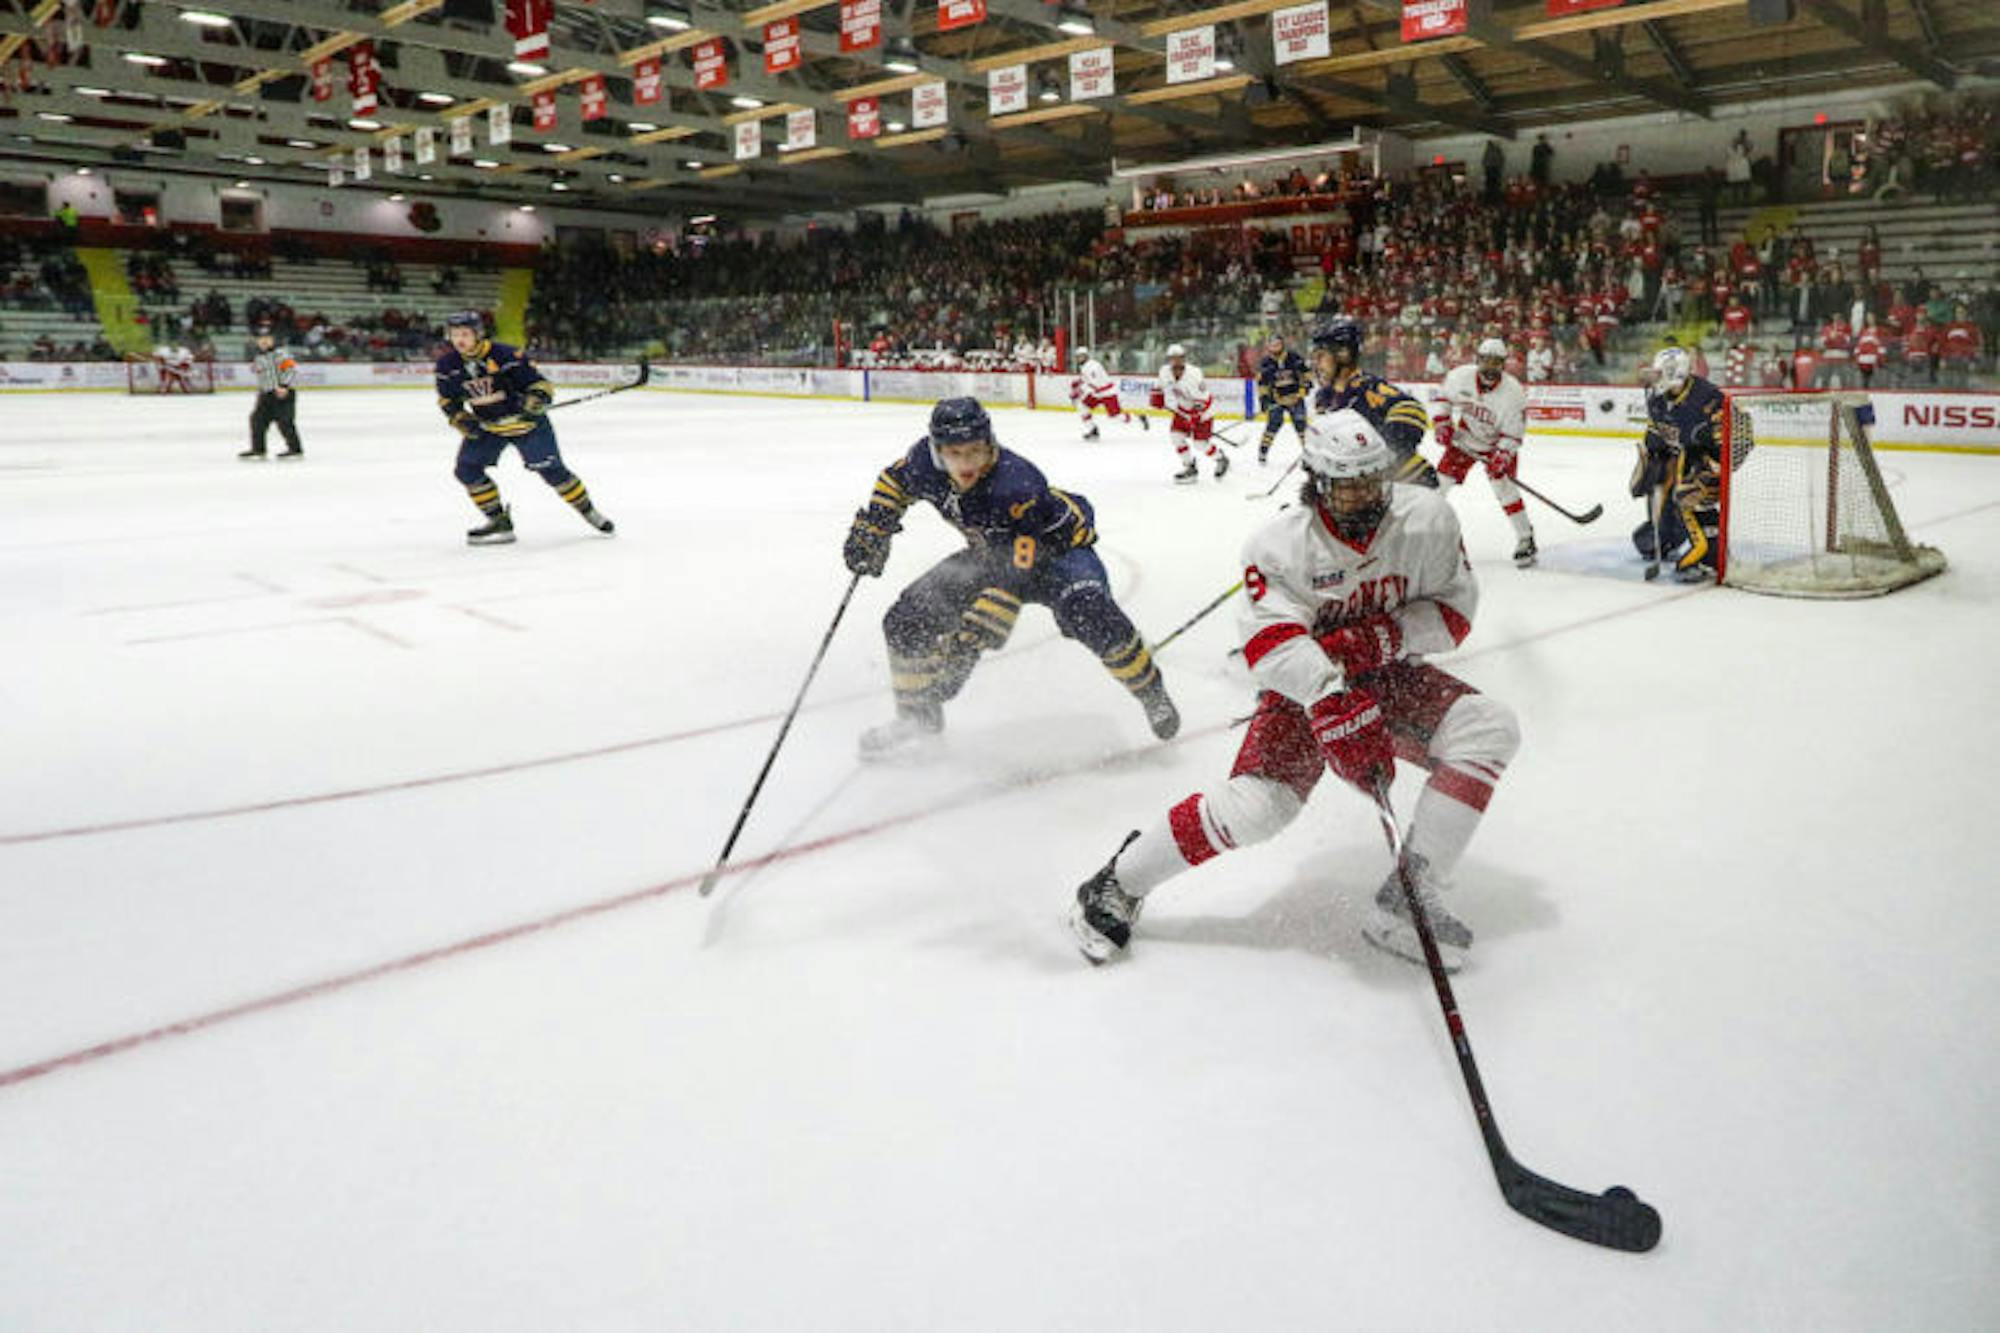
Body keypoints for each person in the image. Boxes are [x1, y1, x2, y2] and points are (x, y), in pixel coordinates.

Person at [1068, 410, 1517, 973]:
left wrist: (1373, 640)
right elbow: (1270, 644)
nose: (1363, 496)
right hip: (1305, 687)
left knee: (1489, 727)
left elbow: (1453, 614)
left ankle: (1408, 896)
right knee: (1262, 809)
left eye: (1372, 480)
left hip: (1390, 674)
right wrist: (1331, 698)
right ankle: (1119, 880)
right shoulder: (1280, 545)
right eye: (1346, 485)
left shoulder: (1428, 520)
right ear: (1317, 481)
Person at [843, 397, 1180, 760]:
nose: (967, 463)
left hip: (1058, 556)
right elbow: (895, 480)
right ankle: (918, 719)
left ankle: (1151, 691)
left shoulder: (1017, 482)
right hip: (994, 552)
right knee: (906, 619)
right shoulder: (924, 463)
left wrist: (969, 645)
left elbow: (1014, 578)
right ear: (938, 452)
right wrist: (876, 524)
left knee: (1092, 614)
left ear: (990, 444)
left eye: (975, 451)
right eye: (955, 453)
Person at [435, 310, 613, 546]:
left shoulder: (506, 354)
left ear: (478, 334)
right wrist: (461, 419)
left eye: (465, 334)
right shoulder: (447, 365)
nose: (459, 340)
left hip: (528, 426)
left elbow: (539, 384)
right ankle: (499, 521)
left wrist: (535, 400)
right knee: (467, 469)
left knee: (552, 472)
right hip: (490, 428)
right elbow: (448, 400)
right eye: (454, 334)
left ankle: (589, 512)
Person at [1632, 347, 1735, 583]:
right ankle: (1666, 536)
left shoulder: (1707, 398)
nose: (1654, 378)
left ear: (1674, 373)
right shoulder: (1657, 399)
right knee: (1661, 483)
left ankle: (1709, 552)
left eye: (1660, 373)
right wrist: (1651, 462)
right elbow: (1656, 435)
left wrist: (1715, 470)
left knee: (1690, 490)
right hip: (1680, 457)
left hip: (1709, 459)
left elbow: (1735, 439)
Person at [1433, 338, 1536, 568]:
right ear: (1477, 360)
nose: (1490, 367)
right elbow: (1444, 399)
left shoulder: (1513, 393)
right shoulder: (1460, 376)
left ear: (1503, 364)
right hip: (1465, 440)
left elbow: (1513, 434)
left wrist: (1502, 455)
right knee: (1438, 485)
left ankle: (1525, 537)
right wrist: (1442, 423)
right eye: (1486, 361)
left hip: (1497, 445)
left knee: (1505, 491)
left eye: (1496, 362)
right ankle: (1422, 534)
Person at [1308, 315, 1438, 488]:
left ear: (1344, 354)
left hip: (1410, 484)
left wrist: (1387, 451)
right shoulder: (1324, 398)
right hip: (1362, 493)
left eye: (1321, 357)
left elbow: (1411, 410)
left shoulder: (1367, 388)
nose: (1316, 364)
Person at [1151, 343, 1227, 484]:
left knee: (1200, 444)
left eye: (1179, 358)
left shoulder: (1194, 374)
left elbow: (1202, 400)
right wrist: (1156, 395)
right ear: (1169, 359)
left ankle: (1220, 458)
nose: (1176, 361)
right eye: (1173, 358)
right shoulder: (1164, 372)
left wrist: (1195, 416)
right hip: (1182, 410)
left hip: (1203, 412)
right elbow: (1158, 386)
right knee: (1176, 437)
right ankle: (1190, 467)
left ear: (1184, 358)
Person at [240, 322, 302, 460]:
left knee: (285, 422)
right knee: (257, 421)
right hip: (266, 394)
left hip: (282, 393)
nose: (263, 342)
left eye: (267, 339)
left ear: (273, 340)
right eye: (261, 339)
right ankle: (258, 449)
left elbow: (291, 370)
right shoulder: (259, 357)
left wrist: (284, 386)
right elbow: (261, 371)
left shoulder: (281, 353)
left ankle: (295, 449)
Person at [1254, 332, 1310, 466]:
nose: (1275, 347)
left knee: (1301, 426)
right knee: (1273, 426)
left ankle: (1309, 453)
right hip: (1276, 400)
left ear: (1282, 345)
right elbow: (1262, 383)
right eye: (1272, 345)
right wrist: (1263, 398)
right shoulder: (1265, 363)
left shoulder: (1294, 358)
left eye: (1277, 344)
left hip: (1295, 398)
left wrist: (1305, 386)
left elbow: (1306, 373)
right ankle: (1263, 451)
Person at [1070, 345, 1147, 440]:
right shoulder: (1085, 366)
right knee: (1083, 407)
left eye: (1080, 356)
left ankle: (1139, 418)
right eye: (1077, 356)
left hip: (1107, 393)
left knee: (1116, 416)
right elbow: (1089, 381)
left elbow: (1095, 383)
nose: (1078, 358)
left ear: (1086, 356)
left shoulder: (1092, 366)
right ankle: (1093, 430)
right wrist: (1080, 381)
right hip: (1097, 393)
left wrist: (1080, 389)